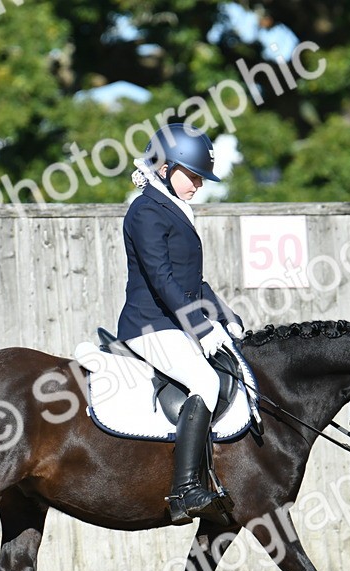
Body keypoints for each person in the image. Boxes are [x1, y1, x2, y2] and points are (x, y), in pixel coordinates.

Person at [117, 123, 244, 521]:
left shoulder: (172, 208)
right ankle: (185, 490)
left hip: (173, 323)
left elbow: (193, 281)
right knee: (205, 382)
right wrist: (201, 327)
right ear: (164, 168)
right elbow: (162, 279)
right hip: (149, 326)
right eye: (192, 175)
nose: (198, 185)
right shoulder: (145, 212)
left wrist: (226, 317)